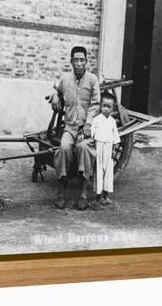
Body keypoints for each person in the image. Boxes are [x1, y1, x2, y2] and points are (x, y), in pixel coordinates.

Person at [50, 46, 100, 210]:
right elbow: (56, 89)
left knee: (84, 148)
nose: (79, 63)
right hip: (70, 127)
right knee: (63, 148)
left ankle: (83, 194)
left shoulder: (93, 80)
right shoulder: (65, 79)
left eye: (82, 60)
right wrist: (56, 96)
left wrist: (88, 123)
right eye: (76, 60)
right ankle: (61, 192)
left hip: (86, 128)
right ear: (71, 61)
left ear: (86, 62)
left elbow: (96, 104)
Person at [91, 93, 120, 205]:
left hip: (108, 148)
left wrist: (113, 149)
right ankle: (98, 196)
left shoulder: (112, 121)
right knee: (98, 170)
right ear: (100, 106)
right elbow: (92, 132)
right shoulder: (97, 119)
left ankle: (106, 195)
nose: (106, 109)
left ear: (113, 108)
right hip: (99, 148)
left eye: (109, 107)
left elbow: (115, 136)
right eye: (104, 106)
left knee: (108, 171)